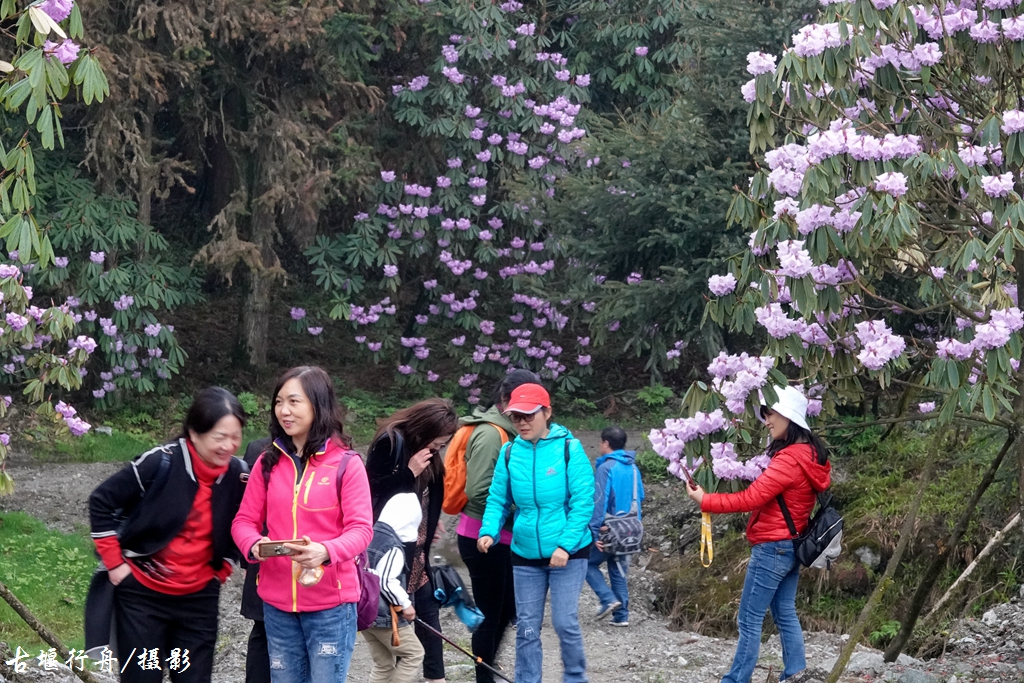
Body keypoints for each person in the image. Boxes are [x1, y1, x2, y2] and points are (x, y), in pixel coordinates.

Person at [86, 387, 249, 682]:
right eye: (219, 437)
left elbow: (242, 520)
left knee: (192, 677)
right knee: (143, 676)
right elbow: (101, 500)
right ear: (194, 433)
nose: (229, 445)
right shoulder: (160, 462)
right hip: (143, 599)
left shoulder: (238, 474)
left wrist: (223, 565)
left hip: (198, 601)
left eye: (235, 436)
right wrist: (115, 564)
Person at [232, 366, 373, 683]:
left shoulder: (347, 465)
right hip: (277, 605)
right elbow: (243, 521)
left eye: (294, 402)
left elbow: (362, 530)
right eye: (279, 401)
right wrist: (253, 545)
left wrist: (325, 550)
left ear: (317, 405)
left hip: (331, 606)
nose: (284, 410)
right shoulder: (267, 461)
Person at [686, 385, 831, 683]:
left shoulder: (789, 460)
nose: (766, 420)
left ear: (789, 418)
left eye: (771, 414)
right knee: (784, 612)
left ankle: (736, 679)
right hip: (792, 545)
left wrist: (706, 501)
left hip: (772, 548)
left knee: (749, 619)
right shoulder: (809, 455)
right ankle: (795, 673)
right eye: (765, 414)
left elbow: (750, 499)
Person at [477, 382, 595, 683]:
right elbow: (498, 499)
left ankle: (575, 678)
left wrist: (565, 546)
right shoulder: (508, 452)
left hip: (569, 552)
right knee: (527, 626)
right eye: (516, 416)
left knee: (564, 621)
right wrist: (488, 530)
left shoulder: (570, 448)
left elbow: (583, 502)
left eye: (529, 415)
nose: (522, 422)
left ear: (547, 413)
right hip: (525, 551)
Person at [365, 398, 459, 683]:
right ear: (424, 430)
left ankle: (435, 679)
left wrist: (428, 519)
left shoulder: (426, 449)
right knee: (400, 629)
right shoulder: (390, 442)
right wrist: (408, 473)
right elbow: (370, 491)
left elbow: (426, 493)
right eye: (438, 443)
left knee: (429, 617)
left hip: (417, 543)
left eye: (443, 445)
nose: (439, 449)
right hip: (393, 546)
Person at [456, 369, 540, 683]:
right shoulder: (492, 434)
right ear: (506, 400)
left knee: (505, 611)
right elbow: (478, 491)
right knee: (492, 614)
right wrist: (527, 502)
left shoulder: (511, 433)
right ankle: (483, 676)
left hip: (501, 537)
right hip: (481, 537)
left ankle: (487, 671)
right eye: (523, 403)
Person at [362, 492, 425, 683]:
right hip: (384, 618)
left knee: (383, 664)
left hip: (364, 615)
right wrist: (406, 604)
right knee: (414, 653)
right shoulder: (393, 548)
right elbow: (386, 581)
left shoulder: (369, 535)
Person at [586, 426, 644, 627]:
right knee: (618, 568)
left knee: (587, 562)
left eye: (601, 442)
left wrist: (593, 532)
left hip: (609, 529)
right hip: (630, 528)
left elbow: (599, 502)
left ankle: (607, 599)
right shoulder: (634, 468)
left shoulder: (605, 468)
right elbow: (640, 498)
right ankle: (621, 616)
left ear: (606, 443)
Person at [240, 436, 272, 683]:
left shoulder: (336, 454)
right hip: (264, 554)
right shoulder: (260, 451)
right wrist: (246, 557)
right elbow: (245, 511)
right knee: (262, 630)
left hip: (312, 559)